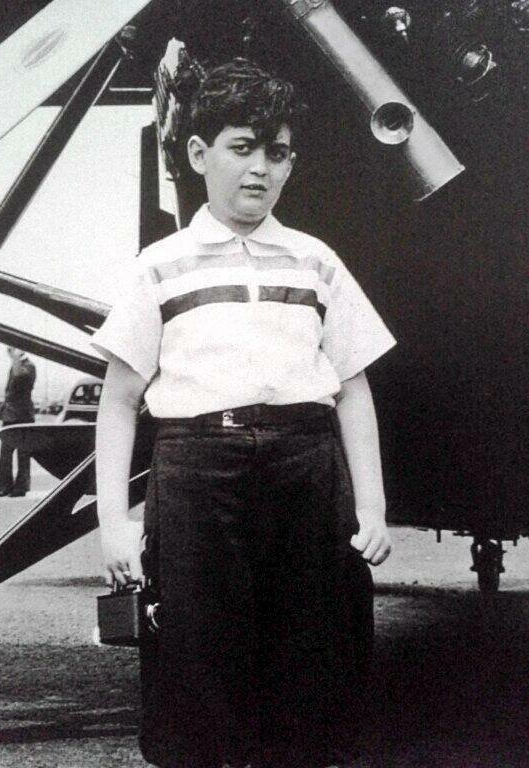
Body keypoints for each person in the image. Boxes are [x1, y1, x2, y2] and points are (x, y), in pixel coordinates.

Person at [92, 58, 396, 768]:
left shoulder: (316, 262)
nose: (260, 168)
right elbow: (119, 401)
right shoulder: (159, 265)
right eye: (243, 147)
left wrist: (372, 506)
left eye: (278, 152)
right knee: (196, 655)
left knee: (312, 656)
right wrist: (113, 524)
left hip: (305, 467)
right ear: (200, 154)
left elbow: (353, 389)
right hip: (196, 471)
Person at [0, 346, 36, 497]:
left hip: (22, 414)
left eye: (11, 350)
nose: (9, 353)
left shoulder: (29, 366)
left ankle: (21, 487)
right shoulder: (19, 365)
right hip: (11, 414)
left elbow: (20, 379)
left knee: (23, 453)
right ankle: (5, 486)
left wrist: (16, 359)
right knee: (6, 453)